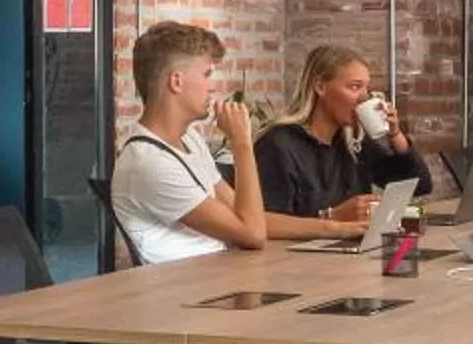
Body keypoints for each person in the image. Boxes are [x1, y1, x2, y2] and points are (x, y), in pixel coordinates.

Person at [107, 21, 269, 263]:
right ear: (176, 81)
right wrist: (242, 143)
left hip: (218, 275)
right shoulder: (148, 162)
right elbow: (253, 234)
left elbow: (247, 216)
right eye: (206, 74)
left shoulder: (190, 140)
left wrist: (328, 228)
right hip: (182, 284)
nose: (213, 86)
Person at [253, 44, 432, 236]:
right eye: (354, 87)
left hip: (350, 251)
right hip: (292, 254)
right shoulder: (278, 145)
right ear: (320, 87)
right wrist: (331, 217)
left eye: (366, 88)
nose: (364, 98)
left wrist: (395, 134)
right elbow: (262, 223)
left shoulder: (354, 143)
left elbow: (420, 186)